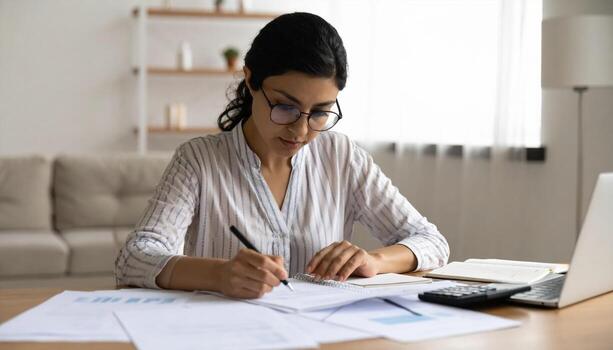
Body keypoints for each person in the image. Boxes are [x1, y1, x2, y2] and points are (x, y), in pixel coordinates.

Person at [115, 12, 449, 299]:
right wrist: (218, 275)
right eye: (285, 107)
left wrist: (374, 261)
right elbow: (135, 258)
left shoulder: (341, 156)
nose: (301, 131)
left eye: (319, 112)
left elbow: (432, 242)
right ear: (250, 81)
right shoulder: (198, 160)